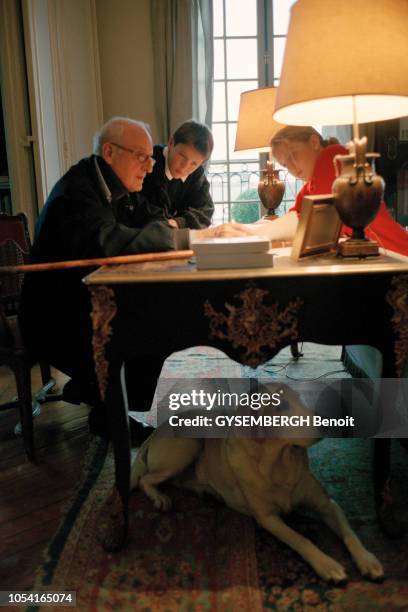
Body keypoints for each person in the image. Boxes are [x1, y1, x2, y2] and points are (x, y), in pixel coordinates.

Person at [19, 117, 251, 439]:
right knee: (150, 325)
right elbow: (109, 240)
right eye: (142, 156)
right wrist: (191, 239)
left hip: (85, 300)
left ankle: (104, 397)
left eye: (151, 158)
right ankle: (105, 406)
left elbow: (150, 217)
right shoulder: (77, 191)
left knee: (159, 319)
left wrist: (189, 232)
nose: (150, 165)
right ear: (111, 152)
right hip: (56, 317)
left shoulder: (119, 184)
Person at [249, 126, 408, 255]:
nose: (291, 168)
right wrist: (254, 232)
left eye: (292, 156)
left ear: (314, 142)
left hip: (395, 254)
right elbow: (294, 217)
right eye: (285, 165)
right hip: (377, 256)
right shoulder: (312, 183)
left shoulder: (333, 157)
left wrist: (252, 236)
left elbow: (313, 221)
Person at [140, 119, 214, 229]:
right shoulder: (148, 164)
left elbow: (205, 211)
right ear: (171, 143)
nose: (185, 167)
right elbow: (142, 210)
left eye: (194, 163)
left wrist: (178, 223)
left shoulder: (197, 174)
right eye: (182, 156)